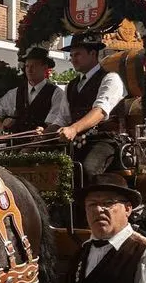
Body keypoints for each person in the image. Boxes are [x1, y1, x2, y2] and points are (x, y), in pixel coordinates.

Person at [46, 34, 128, 178]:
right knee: (45, 164)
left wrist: (73, 129)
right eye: (71, 55)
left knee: (86, 170)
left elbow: (100, 111)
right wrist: (44, 134)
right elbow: (62, 119)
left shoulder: (110, 79)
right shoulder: (71, 86)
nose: (73, 59)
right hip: (76, 142)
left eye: (77, 54)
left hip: (105, 141)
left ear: (93, 54)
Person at [0, 46, 66, 136]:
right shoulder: (15, 93)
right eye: (27, 66)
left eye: (34, 66)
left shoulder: (56, 94)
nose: (29, 70)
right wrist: (4, 130)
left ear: (45, 67)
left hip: (43, 144)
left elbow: (54, 124)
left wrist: (42, 134)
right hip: (16, 143)